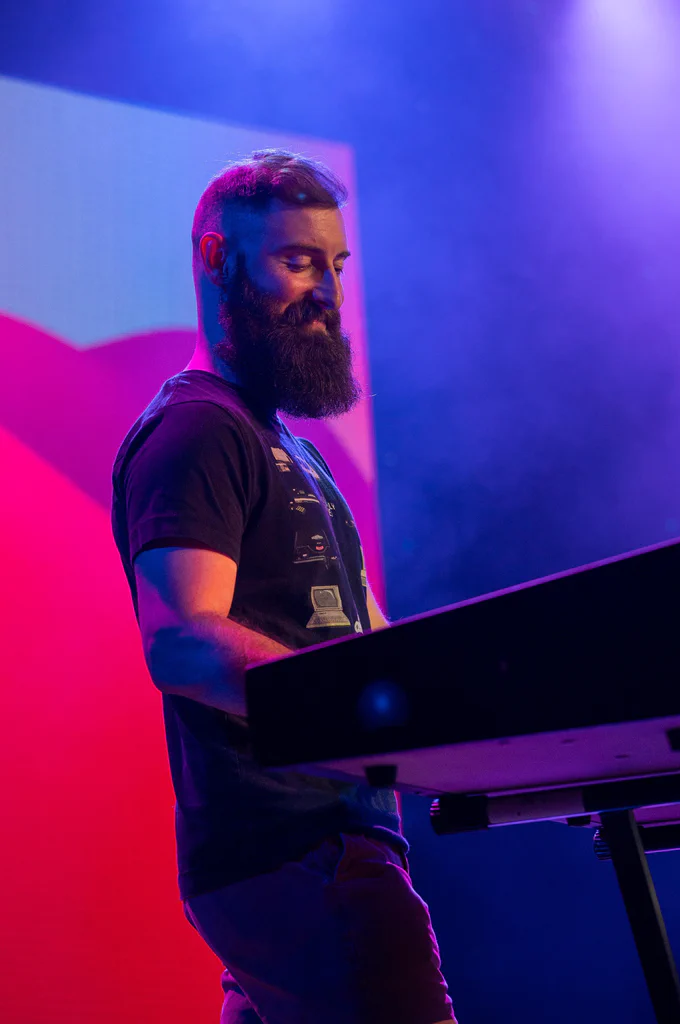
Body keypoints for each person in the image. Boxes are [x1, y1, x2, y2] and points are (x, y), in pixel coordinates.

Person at [111, 149, 456, 1024]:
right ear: (217, 259)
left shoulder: (292, 450)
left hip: (320, 845)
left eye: (335, 266)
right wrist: (351, 719)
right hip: (299, 845)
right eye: (298, 261)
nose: (328, 293)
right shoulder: (196, 429)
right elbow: (185, 639)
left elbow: (371, 644)